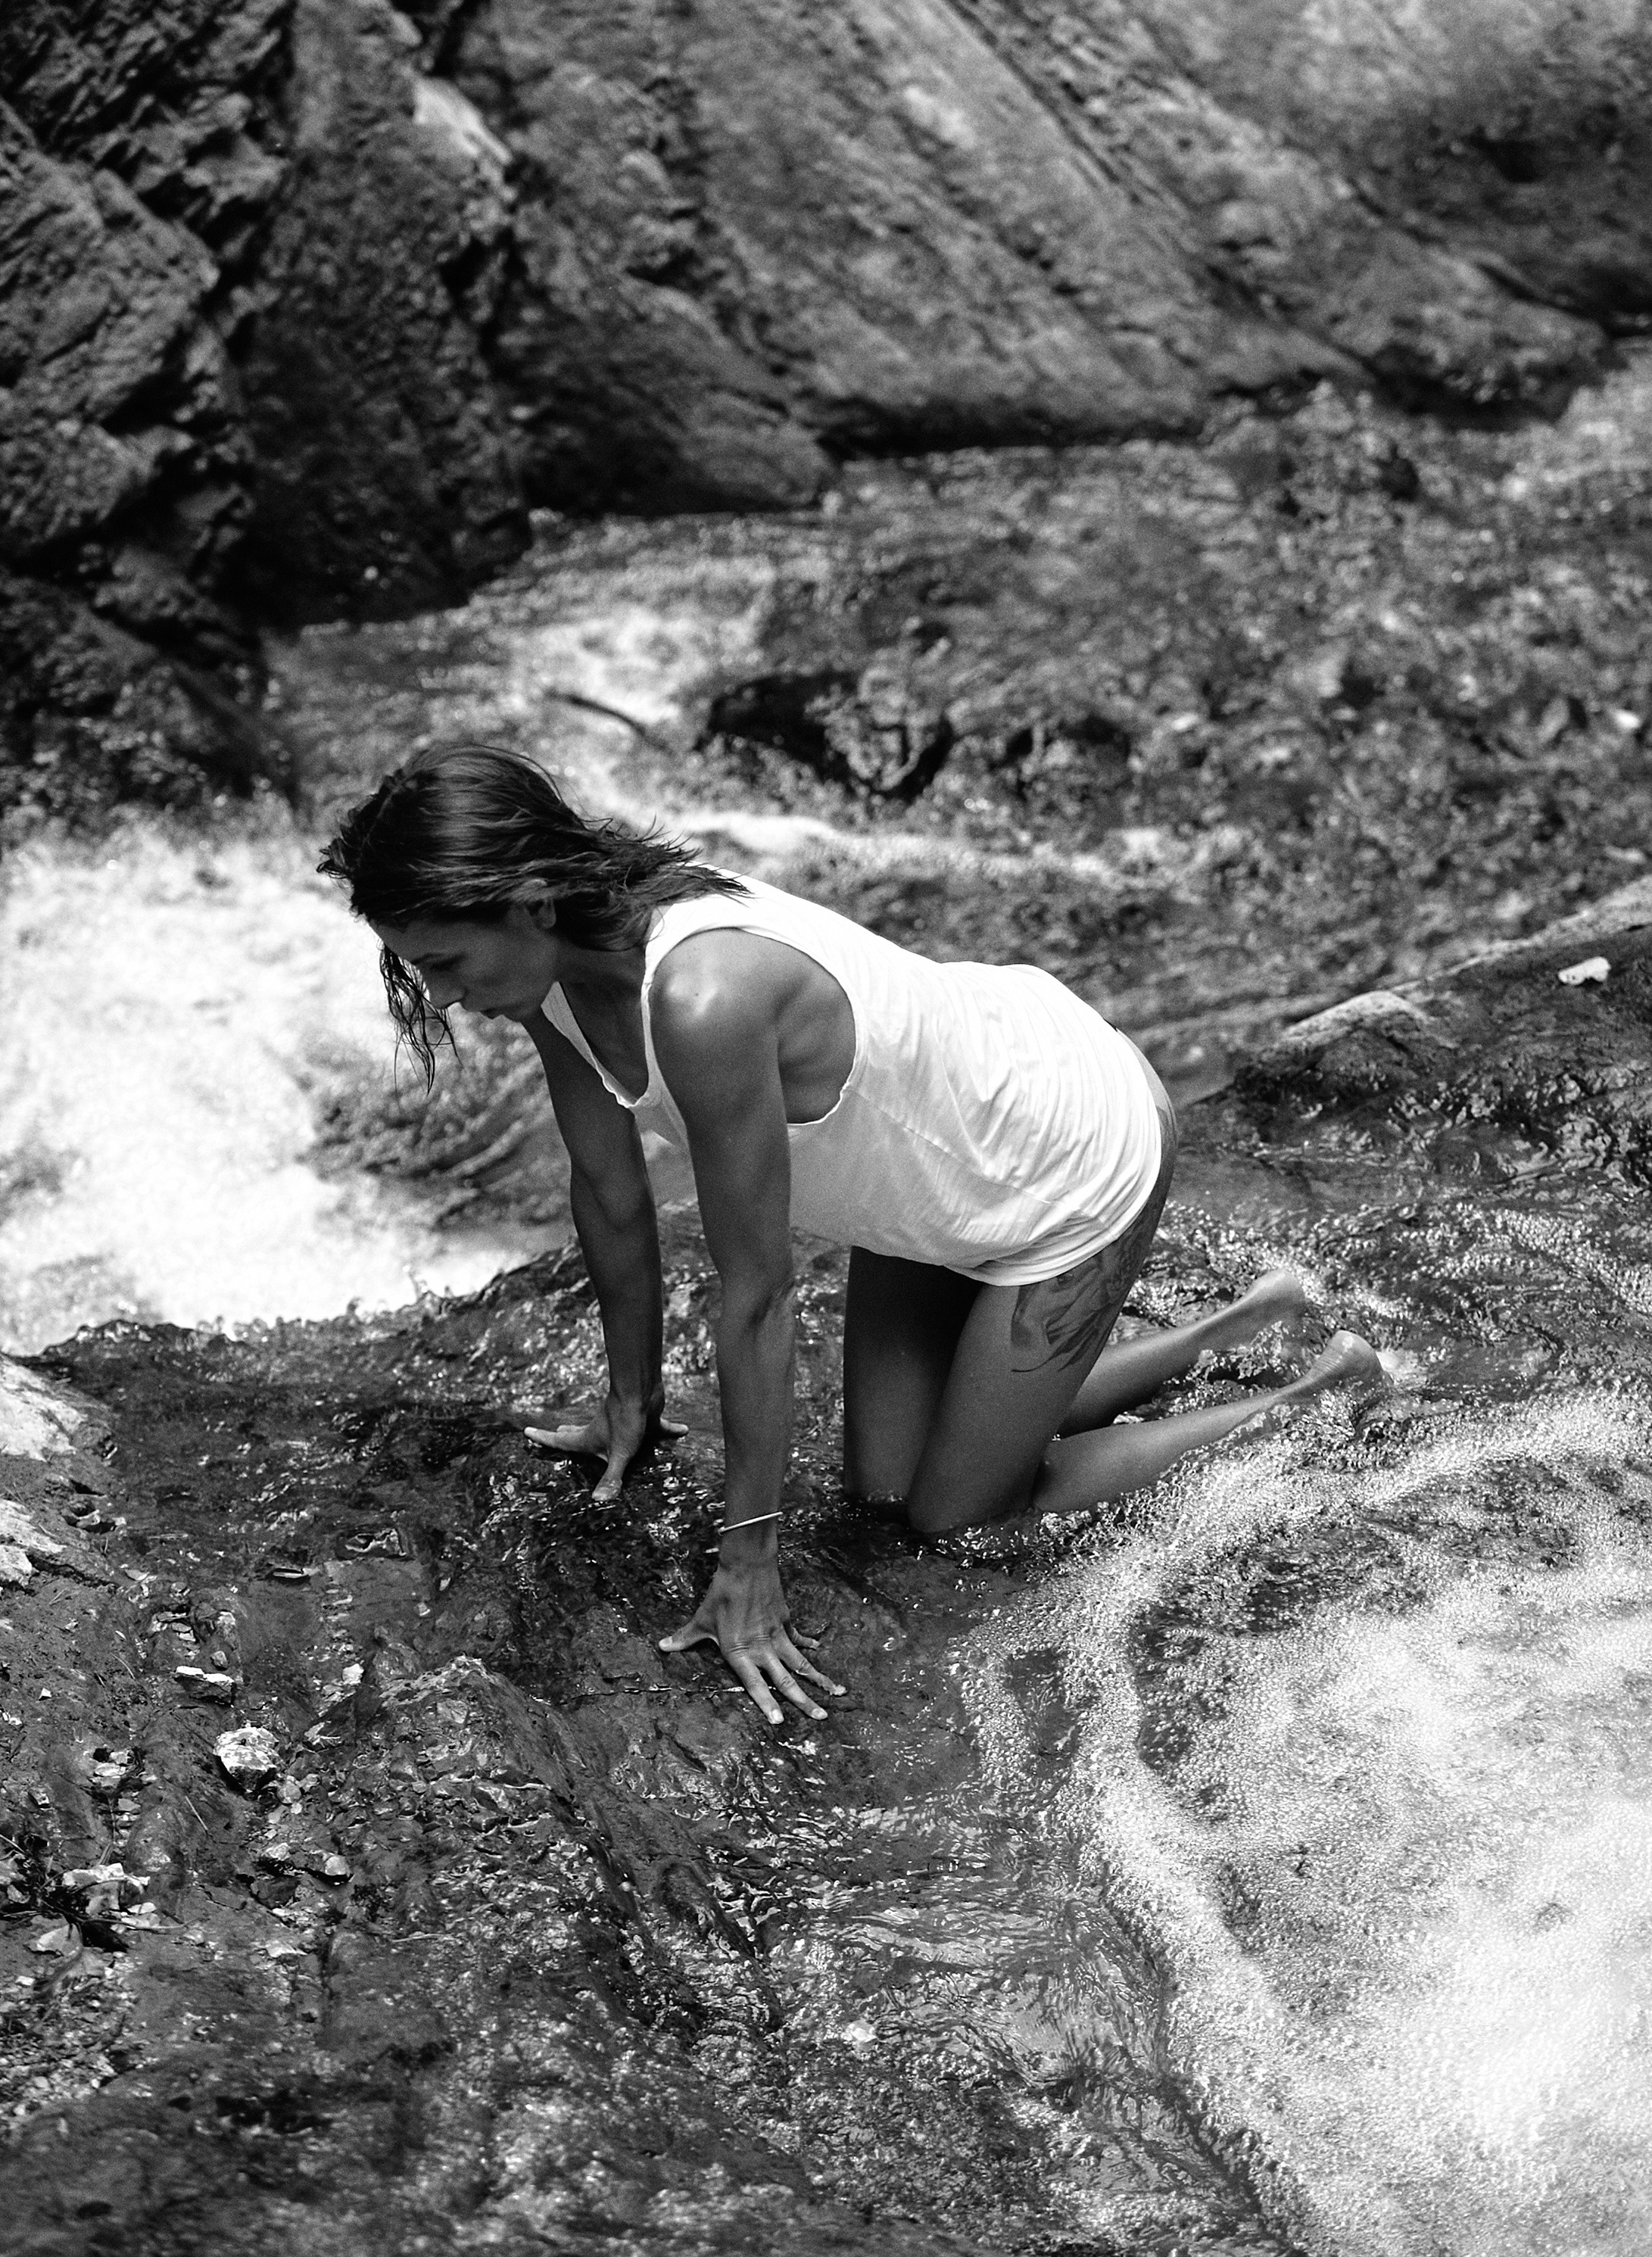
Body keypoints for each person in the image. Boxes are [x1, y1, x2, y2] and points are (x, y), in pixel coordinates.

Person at [320, 740, 1379, 1729]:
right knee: (881, 1494)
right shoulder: (556, 979)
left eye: (448, 961)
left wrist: (749, 1561)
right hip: (940, 1187)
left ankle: (1316, 1388)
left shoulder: (702, 994)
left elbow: (757, 1294)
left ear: (532, 898)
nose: (443, 997)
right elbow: (608, 1194)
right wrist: (629, 1405)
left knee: (959, 1522)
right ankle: (1230, 1326)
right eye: (422, 969)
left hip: (1065, 1162)